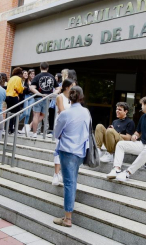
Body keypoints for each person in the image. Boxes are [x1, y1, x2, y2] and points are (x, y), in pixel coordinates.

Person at [53, 86, 89, 227]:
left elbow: (56, 133)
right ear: (81, 97)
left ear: (69, 97)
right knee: (72, 181)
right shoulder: (86, 112)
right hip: (80, 151)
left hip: (67, 150)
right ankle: (68, 215)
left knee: (69, 183)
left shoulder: (65, 114)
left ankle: (67, 218)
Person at [52, 78, 76, 185]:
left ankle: (61, 172)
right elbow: (62, 112)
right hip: (61, 127)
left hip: (71, 127)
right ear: (67, 87)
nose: (74, 88)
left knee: (67, 151)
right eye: (72, 86)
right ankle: (56, 174)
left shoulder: (73, 98)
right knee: (59, 149)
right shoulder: (59, 97)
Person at [29, 62, 59, 138]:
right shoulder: (52, 77)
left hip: (38, 98)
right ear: (48, 68)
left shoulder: (37, 76)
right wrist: (51, 94)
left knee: (36, 115)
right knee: (43, 115)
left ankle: (34, 133)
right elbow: (58, 88)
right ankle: (30, 127)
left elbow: (31, 88)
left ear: (40, 67)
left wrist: (40, 94)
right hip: (47, 99)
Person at [6, 67, 24, 134]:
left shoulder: (11, 78)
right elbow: (19, 89)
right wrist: (22, 89)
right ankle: (15, 129)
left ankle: (9, 128)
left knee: (10, 113)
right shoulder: (19, 79)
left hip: (8, 96)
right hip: (14, 96)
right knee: (16, 113)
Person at [18, 69, 35, 134]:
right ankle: (15, 122)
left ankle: (24, 129)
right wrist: (29, 89)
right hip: (26, 96)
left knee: (28, 114)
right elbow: (24, 90)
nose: (32, 75)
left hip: (32, 97)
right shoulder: (25, 81)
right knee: (25, 113)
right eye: (31, 74)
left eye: (33, 74)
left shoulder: (34, 81)